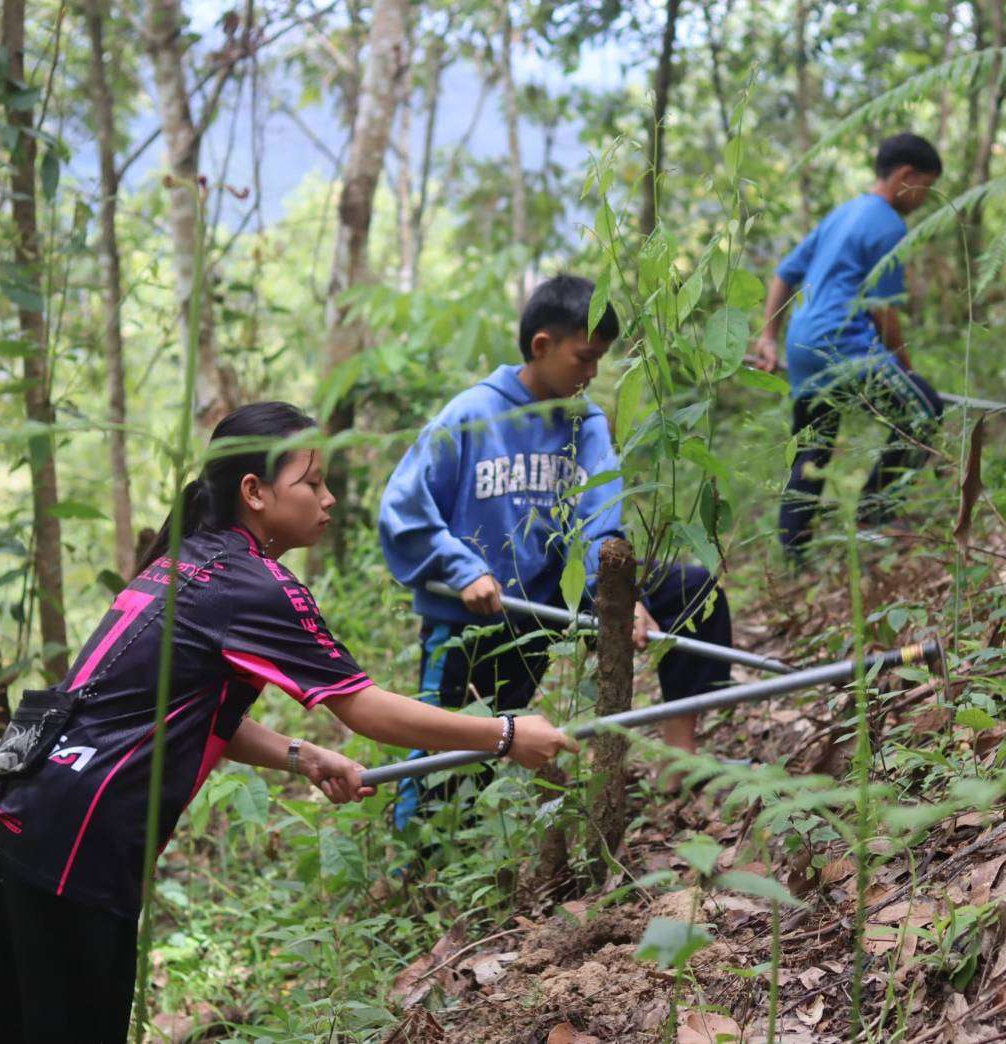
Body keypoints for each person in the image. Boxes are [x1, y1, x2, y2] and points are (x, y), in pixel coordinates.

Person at [0, 402, 576, 1042]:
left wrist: (300, 755)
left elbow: (185, 714)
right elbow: (364, 708)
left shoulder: (188, 558)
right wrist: (504, 736)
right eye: (311, 483)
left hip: (14, 810)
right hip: (75, 849)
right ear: (254, 492)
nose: (329, 498)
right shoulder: (253, 583)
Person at [377, 274, 734, 829]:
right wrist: (462, 568)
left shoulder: (585, 421)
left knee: (690, 591)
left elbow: (600, 518)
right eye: (584, 358)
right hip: (477, 613)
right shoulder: (470, 414)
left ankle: (678, 764)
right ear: (542, 346)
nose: (592, 374)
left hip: (557, 597)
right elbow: (404, 509)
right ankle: (414, 863)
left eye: (600, 361)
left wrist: (618, 596)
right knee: (453, 760)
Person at [752, 132, 946, 556]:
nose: (925, 200)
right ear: (906, 176)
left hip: (804, 349)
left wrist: (769, 336)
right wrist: (907, 372)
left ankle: (792, 561)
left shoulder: (842, 214)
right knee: (926, 408)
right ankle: (873, 513)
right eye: (926, 188)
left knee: (812, 455)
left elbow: (785, 272)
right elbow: (884, 312)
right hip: (845, 346)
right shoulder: (890, 225)